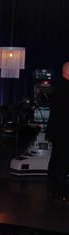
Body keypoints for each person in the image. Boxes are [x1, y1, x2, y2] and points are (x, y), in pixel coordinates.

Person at [47, 62, 69, 206]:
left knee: (57, 162)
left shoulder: (59, 86)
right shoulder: (65, 88)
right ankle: (59, 194)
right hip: (64, 133)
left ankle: (55, 191)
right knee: (61, 164)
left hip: (58, 132)